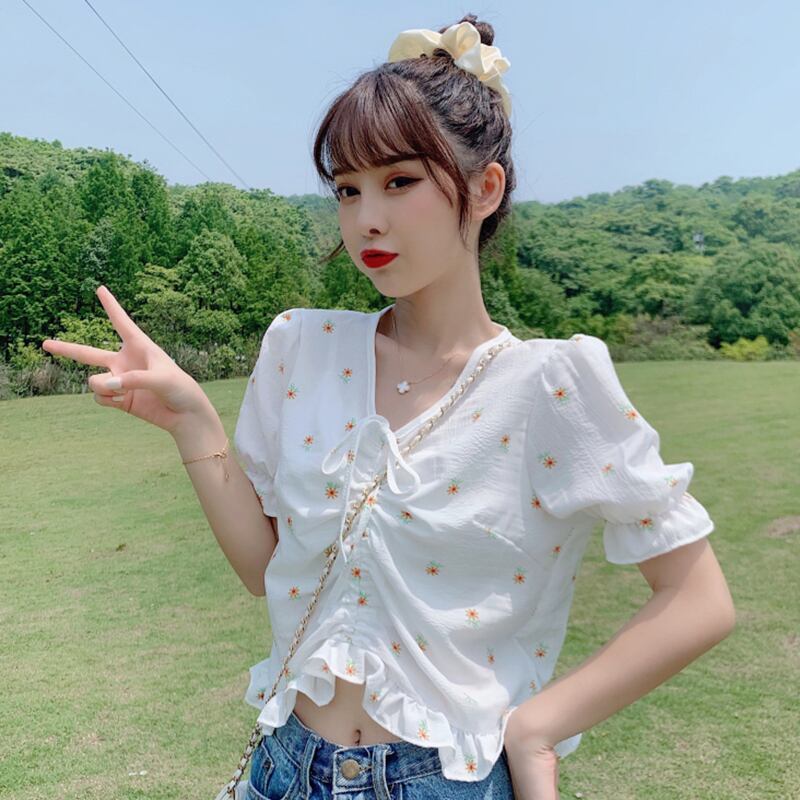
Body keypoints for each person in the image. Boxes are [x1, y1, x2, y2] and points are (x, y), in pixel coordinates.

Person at [42, 14, 736, 800]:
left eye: (399, 182)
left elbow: (699, 599)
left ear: (484, 189)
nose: (365, 218)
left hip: (447, 779)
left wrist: (539, 728)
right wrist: (192, 423)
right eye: (347, 189)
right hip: (287, 768)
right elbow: (267, 571)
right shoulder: (302, 348)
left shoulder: (550, 385)